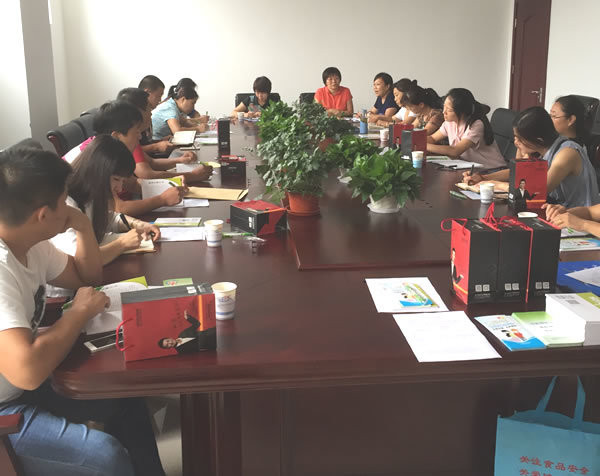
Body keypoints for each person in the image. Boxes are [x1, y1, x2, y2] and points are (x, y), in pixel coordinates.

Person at [0, 147, 165, 476]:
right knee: (105, 456)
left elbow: (86, 276)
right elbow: (26, 372)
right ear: (42, 215)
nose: (70, 207)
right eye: (65, 201)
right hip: (8, 406)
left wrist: (81, 225)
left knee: (125, 396)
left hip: (21, 387)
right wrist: (77, 315)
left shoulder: (31, 244)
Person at [51, 135, 161, 266]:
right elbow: (80, 260)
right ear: (97, 171)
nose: (119, 188)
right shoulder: (64, 202)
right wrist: (122, 243)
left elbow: (106, 218)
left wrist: (139, 225)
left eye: (122, 181)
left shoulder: (90, 191)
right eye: (116, 179)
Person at [464, 107, 600, 208]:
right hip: (555, 210)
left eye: (520, 138)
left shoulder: (567, 153)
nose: (516, 142)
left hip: (578, 218)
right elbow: (515, 174)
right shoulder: (540, 148)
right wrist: (483, 178)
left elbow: (536, 191)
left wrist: (497, 184)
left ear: (538, 139)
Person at [115, 89, 212, 193]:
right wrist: (192, 176)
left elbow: (151, 162)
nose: (151, 113)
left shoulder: (133, 135)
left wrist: (180, 160)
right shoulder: (128, 138)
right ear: (137, 112)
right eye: (148, 108)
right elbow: (147, 175)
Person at [427, 88, 506, 168]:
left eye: (449, 110)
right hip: (470, 168)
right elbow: (433, 138)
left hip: (491, 169)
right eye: (444, 107)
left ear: (462, 111)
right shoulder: (449, 123)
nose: (444, 112)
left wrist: (425, 146)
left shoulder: (476, 124)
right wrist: (419, 140)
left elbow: (455, 151)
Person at [137, 75, 174, 155]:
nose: (160, 100)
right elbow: (132, 149)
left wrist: (160, 141)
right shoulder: (135, 115)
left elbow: (145, 142)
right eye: (159, 95)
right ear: (147, 93)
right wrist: (156, 146)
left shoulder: (148, 112)